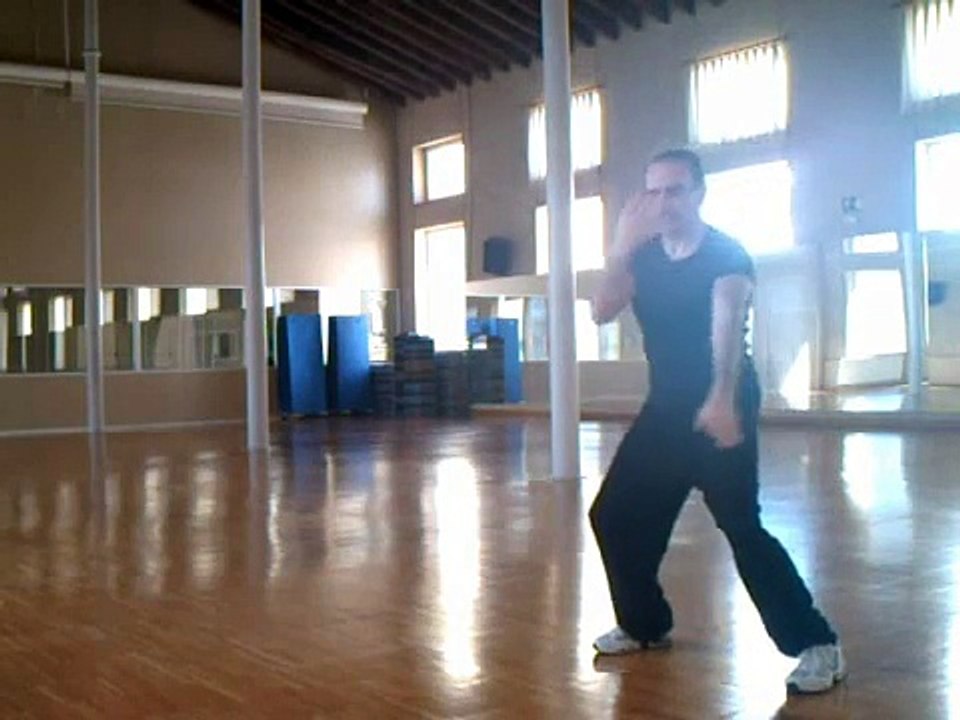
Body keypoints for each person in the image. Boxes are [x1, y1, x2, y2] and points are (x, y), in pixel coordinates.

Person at [588, 148, 845, 695]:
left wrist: (722, 397)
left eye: (676, 190)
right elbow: (601, 310)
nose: (664, 202)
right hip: (665, 408)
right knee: (614, 515)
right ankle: (644, 624)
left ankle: (817, 643)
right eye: (654, 191)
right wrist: (620, 248)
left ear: (699, 194)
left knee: (740, 524)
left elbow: (727, 324)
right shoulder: (643, 256)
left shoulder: (726, 254)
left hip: (721, 400)